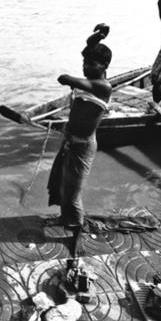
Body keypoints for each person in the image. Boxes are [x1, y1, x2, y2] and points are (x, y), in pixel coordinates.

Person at [46, 24, 113, 259]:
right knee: (62, 185)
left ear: (105, 67)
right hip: (70, 141)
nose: (86, 68)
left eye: (92, 65)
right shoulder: (90, 78)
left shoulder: (102, 86)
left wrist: (71, 77)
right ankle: (65, 219)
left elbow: (65, 78)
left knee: (73, 193)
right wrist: (97, 38)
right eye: (85, 64)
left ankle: (76, 234)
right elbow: (87, 52)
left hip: (83, 146)